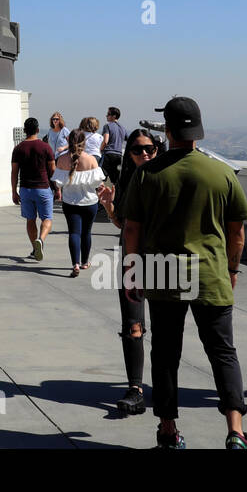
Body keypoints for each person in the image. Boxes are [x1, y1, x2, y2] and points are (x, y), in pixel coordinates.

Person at [120, 96, 247, 449]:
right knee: (223, 352)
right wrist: (233, 269)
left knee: (165, 354)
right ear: (198, 129)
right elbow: (237, 232)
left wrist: (132, 273)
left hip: (163, 275)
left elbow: (132, 229)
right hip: (210, 273)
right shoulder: (221, 172)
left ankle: (167, 430)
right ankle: (235, 431)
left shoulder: (147, 173)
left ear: (167, 130)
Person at [97, 128, 160, 415]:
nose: (144, 154)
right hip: (132, 260)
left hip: (163, 260)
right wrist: (110, 207)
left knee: (165, 329)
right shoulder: (127, 180)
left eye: (150, 149)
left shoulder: (166, 177)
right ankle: (135, 389)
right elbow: (123, 224)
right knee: (133, 327)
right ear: (129, 153)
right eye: (137, 150)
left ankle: (162, 385)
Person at [54, 128, 105, 276]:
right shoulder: (91, 159)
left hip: (70, 202)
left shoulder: (62, 159)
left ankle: (75, 263)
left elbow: (58, 184)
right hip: (90, 203)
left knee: (74, 233)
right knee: (86, 232)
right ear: (84, 142)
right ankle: (84, 262)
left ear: (69, 141)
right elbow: (99, 184)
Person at [11, 117, 55, 261]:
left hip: (25, 189)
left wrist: (14, 191)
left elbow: (14, 172)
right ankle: (40, 241)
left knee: (30, 220)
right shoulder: (45, 147)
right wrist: (57, 188)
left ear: (24, 131)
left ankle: (34, 249)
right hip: (43, 187)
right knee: (47, 219)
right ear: (37, 130)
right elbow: (52, 170)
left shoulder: (18, 148)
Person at [101, 107, 127, 184]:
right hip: (118, 155)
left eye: (108, 114)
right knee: (115, 181)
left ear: (114, 116)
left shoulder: (107, 126)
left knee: (101, 178)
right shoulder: (123, 128)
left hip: (108, 154)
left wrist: (101, 149)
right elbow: (128, 140)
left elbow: (105, 141)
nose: (106, 116)